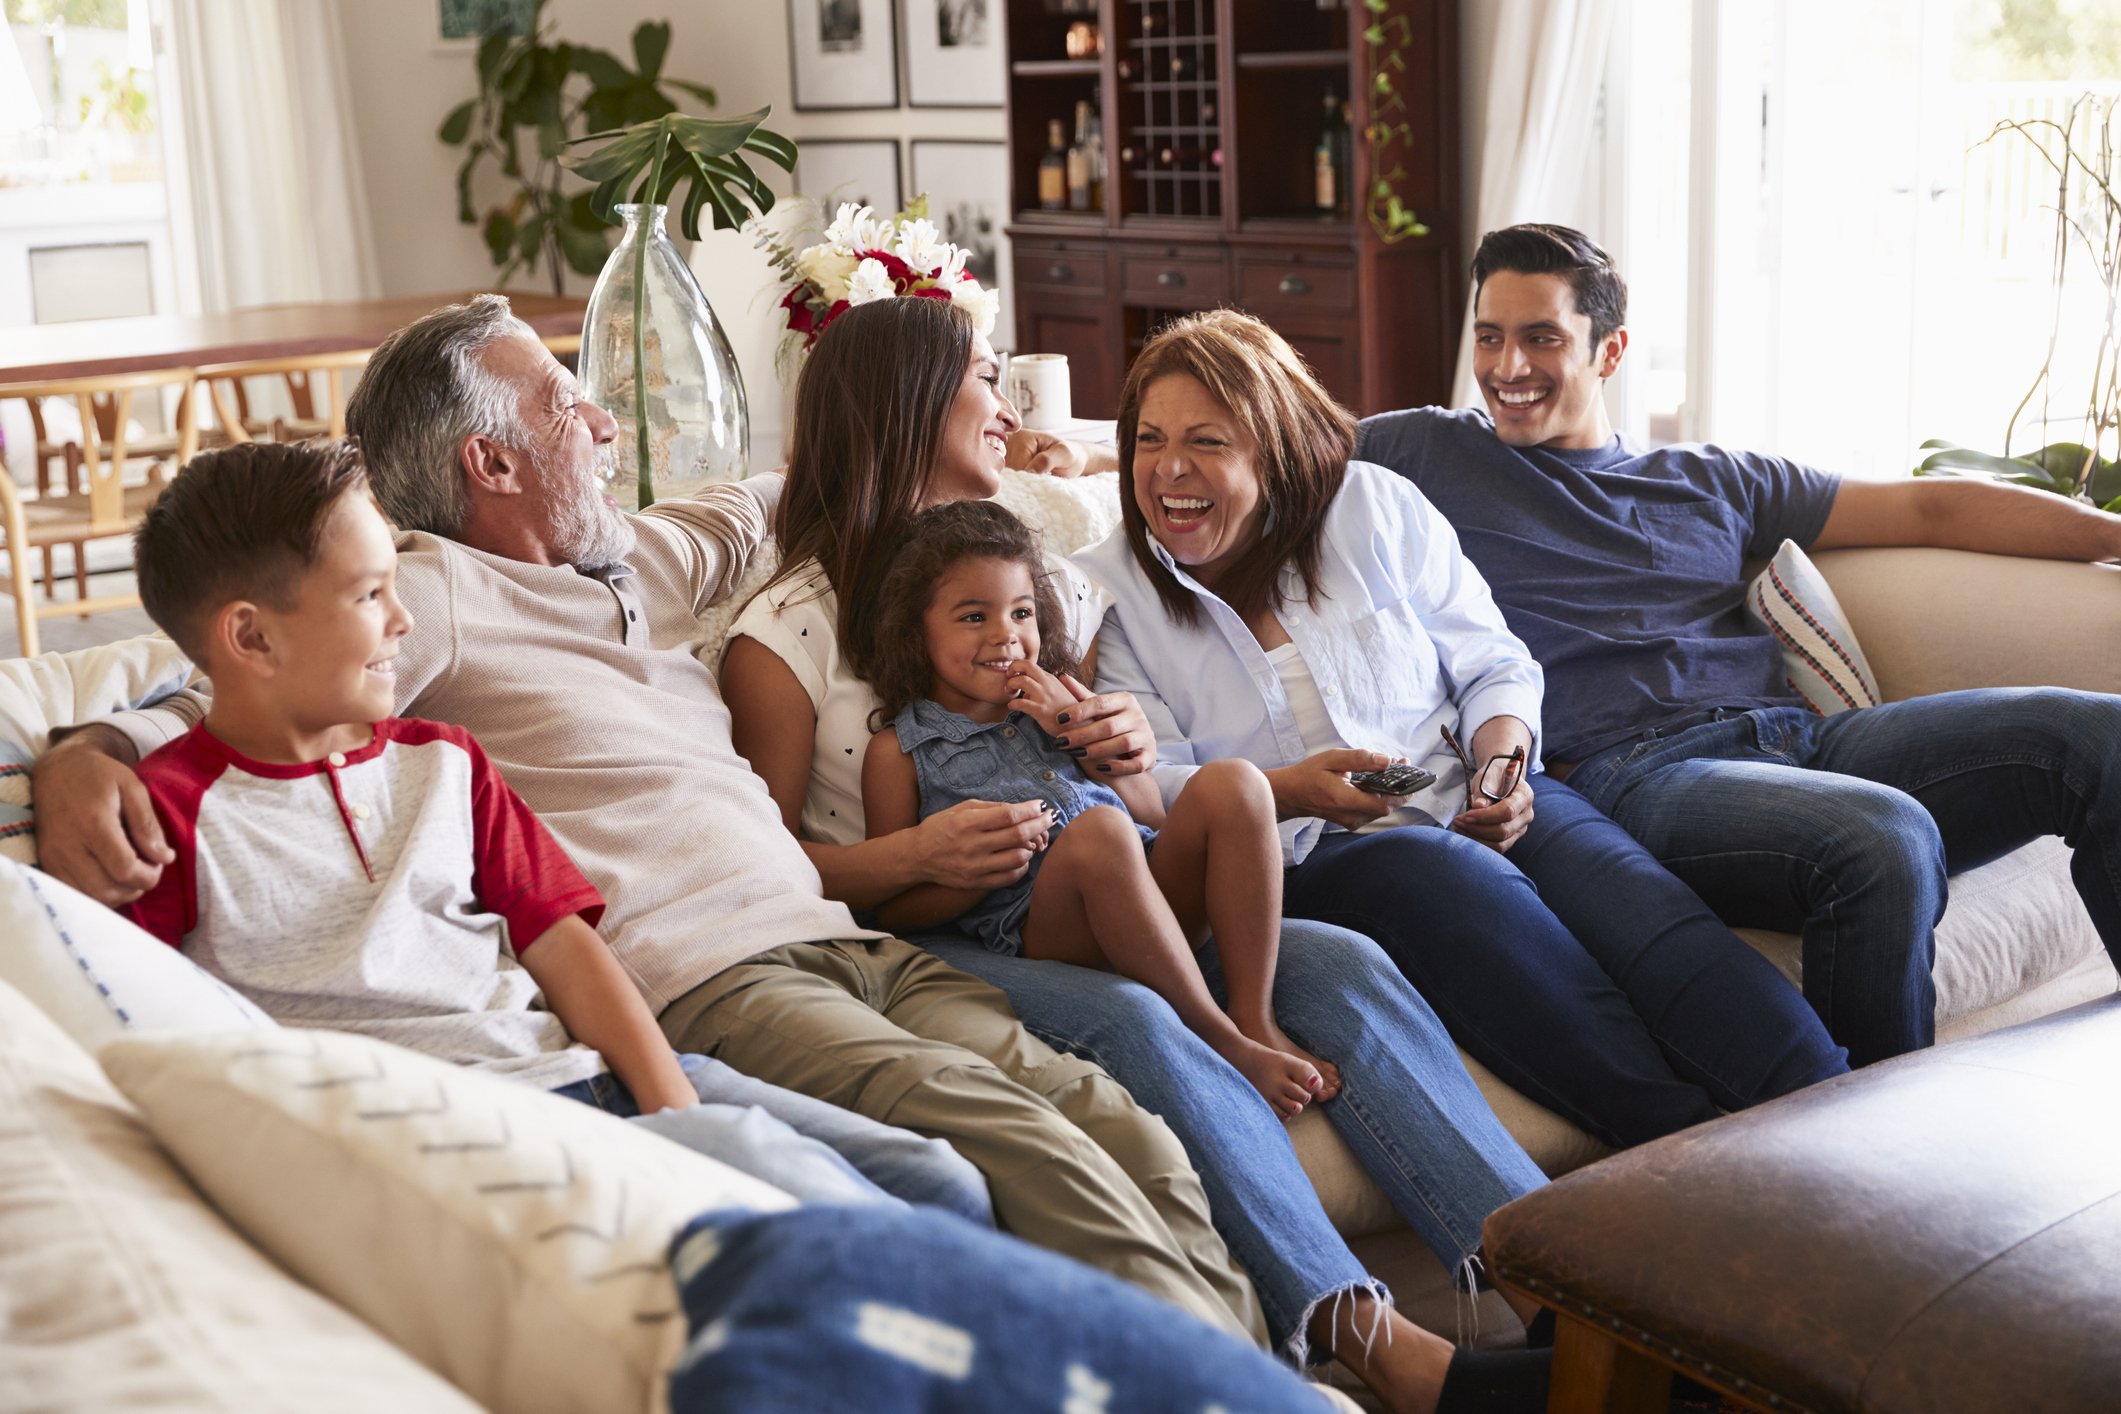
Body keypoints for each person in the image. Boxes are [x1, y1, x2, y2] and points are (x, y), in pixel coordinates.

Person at [29, 294, 1269, 1351]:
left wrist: (1009, 449)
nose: (609, 423)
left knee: (1117, 1122)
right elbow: (237, 679)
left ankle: (1271, 1376)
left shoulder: (638, 564)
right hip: (711, 977)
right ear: (492, 465)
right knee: (1015, 1139)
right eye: (571, 407)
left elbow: (780, 492)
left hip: (844, 939)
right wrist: (90, 752)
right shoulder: (438, 589)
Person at [721, 295, 1555, 1414]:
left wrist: (1122, 760)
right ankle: (1376, 1347)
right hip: (939, 926)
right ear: (911, 406)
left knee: (1343, 964)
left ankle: (1564, 1295)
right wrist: (915, 851)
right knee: (1135, 1020)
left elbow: (1127, 802)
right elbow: (761, 869)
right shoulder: (787, 633)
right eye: (983, 375)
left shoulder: (1047, 584)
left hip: (1105, 873)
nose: (1007, 399)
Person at [1077, 309, 1850, 1153]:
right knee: (1445, 881)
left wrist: (1502, 769)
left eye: (1206, 442)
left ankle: (1839, 1125)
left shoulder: (1369, 508)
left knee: (1656, 927)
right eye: (1147, 440)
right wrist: (1287, 789)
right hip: (1303, 857)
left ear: (1272, 444)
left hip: (1472, 792)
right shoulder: (1111, 597)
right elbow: (1154, 793)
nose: (1169, 470)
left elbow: (1494, 662)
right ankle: (1691, 1157)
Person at [1355, 222, 2121, 1067]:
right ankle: (1880, 1169)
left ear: (1607, 352)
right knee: (1881, 836)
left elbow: (1928, 509)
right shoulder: (1420, 449)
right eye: (1489, 336)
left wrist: (2109, 533)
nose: (1506, 368)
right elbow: (1265, 448)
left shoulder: (1713, 478)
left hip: (1805, 741)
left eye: (1541, 338)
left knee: (2102, 738)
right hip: (1635, 776)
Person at [120, 437, 911, 1212]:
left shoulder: (445, 761)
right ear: (252, 637)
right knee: (840, 1222)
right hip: (472, 1135)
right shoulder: (166, 817)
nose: (402, 620)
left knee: (933, 1178)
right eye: (369, 595)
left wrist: (675, 1112)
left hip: (592, 1069)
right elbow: (149, 1032)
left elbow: (564, 945)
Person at [859, 500, 1332, 1116]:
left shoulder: (1066, 701)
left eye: (1021, 612)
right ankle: (1220, 1040)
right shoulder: (898, 750)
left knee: (1236, 783)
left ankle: (1253, 1015)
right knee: (1099, 831)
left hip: (1148, 894)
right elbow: (893, 909)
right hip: (1049, 930)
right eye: (973, 617)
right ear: (915, 631)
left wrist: (1078, 731)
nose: (1006, 635)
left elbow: (1150, 815)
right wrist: (972, 878)